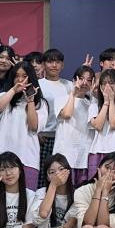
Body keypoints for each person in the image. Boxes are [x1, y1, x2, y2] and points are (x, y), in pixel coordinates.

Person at [0, 61, 47, 189]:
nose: (20, 80)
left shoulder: (40, 103)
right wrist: (14, 90)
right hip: (0, 156)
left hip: (27, 159)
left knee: (27, 197)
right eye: (16, 76)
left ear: (31, 78)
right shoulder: (4, 96)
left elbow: (33, 127)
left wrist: (30, 101)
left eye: (24, 76)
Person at [53, 65, 95, 183]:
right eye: (81, 78)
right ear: (73, 80)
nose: (84, 83)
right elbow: (67, 114)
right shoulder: (61, 99)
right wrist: (73, 94)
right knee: (62, 189)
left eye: (89, 80)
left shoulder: (92, 104)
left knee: (81, 190)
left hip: (84, 155)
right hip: (64, 153)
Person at [38, 48, 73, 186]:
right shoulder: (37, 85)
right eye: (50, 61)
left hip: (64, 138)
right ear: (43, 64)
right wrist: (36, 133)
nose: (54, 65)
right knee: (43, 177)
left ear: (62, 65)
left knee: (63, 178)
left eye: (57, 62)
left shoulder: (70, 85)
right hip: (44, 137)